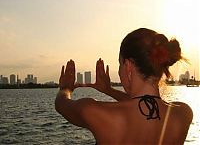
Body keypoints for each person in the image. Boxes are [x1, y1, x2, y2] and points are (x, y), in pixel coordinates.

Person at [55, 28, 193, 144]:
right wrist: (108, 90)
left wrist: (65, 88)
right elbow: (142, 108)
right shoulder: (183, 114)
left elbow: (61, 103)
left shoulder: (95, 112)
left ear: (128, 66)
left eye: (120, 64)